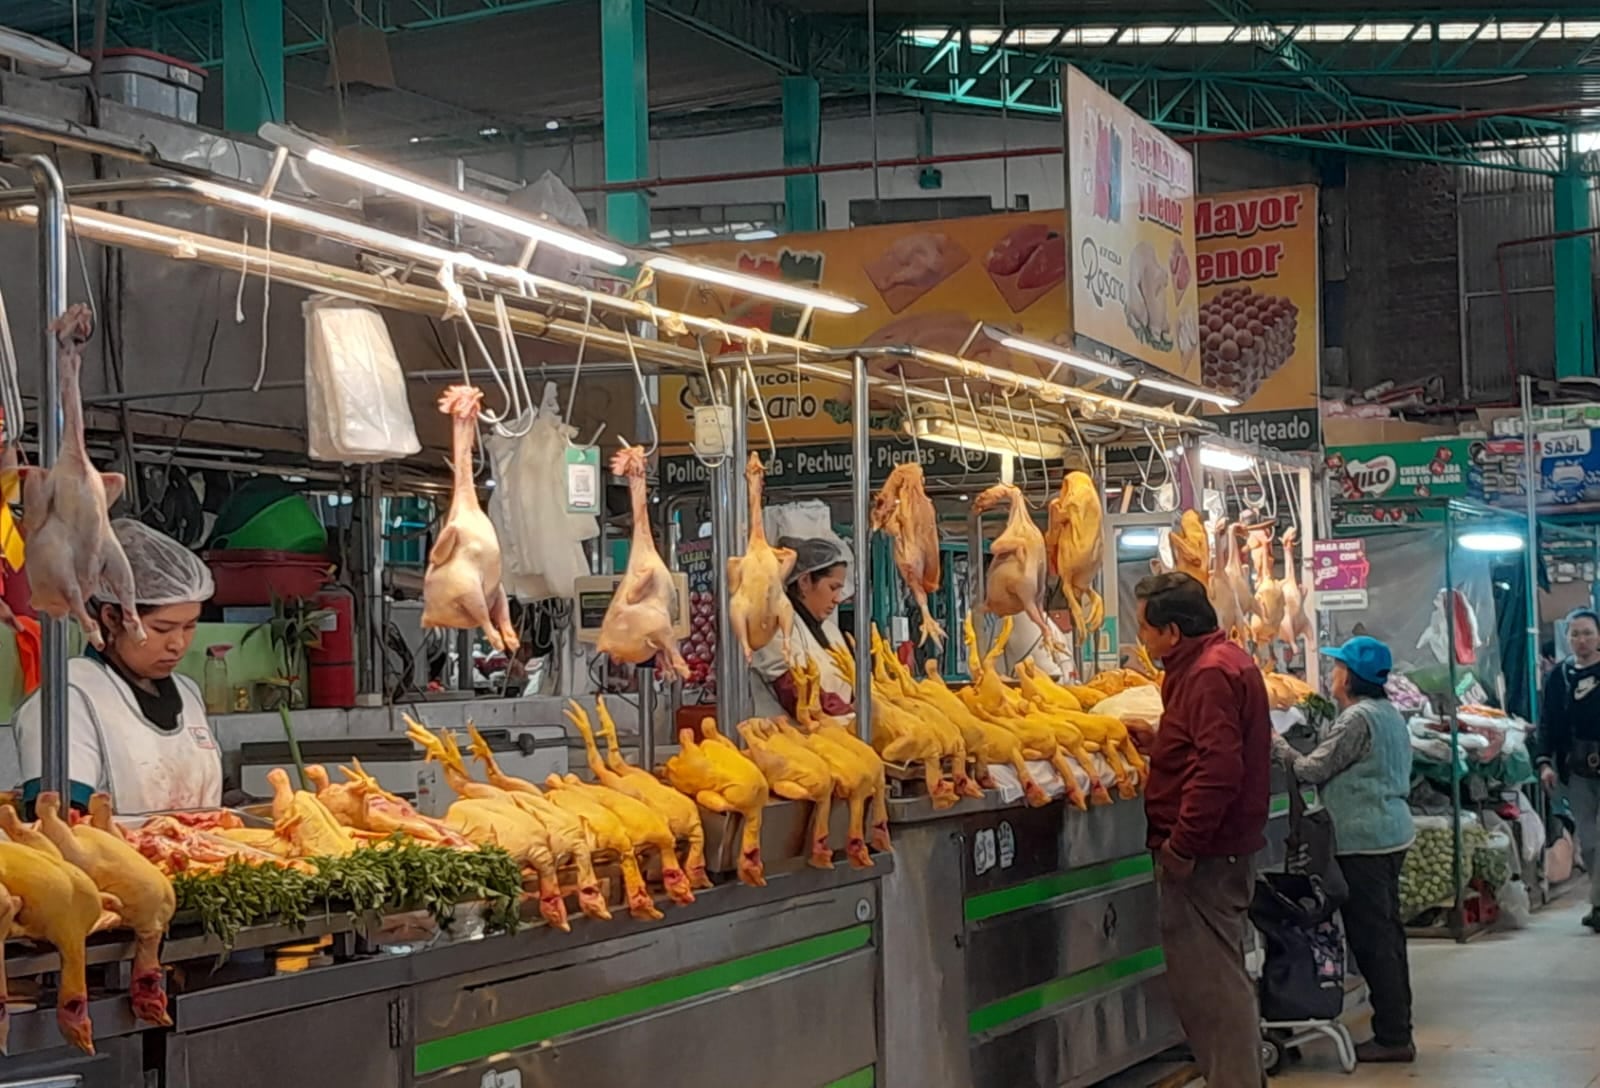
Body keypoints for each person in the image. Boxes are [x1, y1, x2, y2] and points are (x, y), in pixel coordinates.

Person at [1133, 571, 1270, 1088]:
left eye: (1145, 629)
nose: (1142, 639)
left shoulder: (1209, 674)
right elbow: (1208, 747)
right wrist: (1162, 741)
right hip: (1218, 849)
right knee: (1218, 978)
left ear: (1172, 632)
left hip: (1207, 856)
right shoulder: (1215, 663)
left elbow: (1219, 769)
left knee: (1210, 989)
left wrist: (1182, 845)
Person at [1272, 636, 1415, 1063]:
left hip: (1363, 842)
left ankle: (1394, 1036)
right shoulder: (1388, 713)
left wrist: (1274, 742)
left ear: (1350, 677)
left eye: (1338, 668)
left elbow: (1312, 769)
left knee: (1373, 940)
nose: (1333, 675)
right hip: (1390, 835)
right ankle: (1395, 1027)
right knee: (1387, 934)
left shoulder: (1357, 719)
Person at [15, 519, 222, 814]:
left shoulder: (188, 693)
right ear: (112, 618)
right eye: (162, 628)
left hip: (203, 843)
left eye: (190, 626)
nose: (178, 644)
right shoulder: (68, 698)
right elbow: (60, 820)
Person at [1535, 608, 1600, 933]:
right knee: (1588, 841)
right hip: (1577, 769)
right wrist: (1545, 761)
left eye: (1587, 633)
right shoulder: (1559, 677)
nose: (1581, 640)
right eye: (1575, 634)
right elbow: (1548, 723)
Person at [749, 536, 853, 719]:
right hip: (785, 734)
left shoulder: (831, 631)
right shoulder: (774, 627)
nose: (838, 599)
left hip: (835, 731)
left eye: (840, 590)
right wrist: (849, 712)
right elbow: (797, 692)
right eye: (833, 588)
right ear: (804, 581)